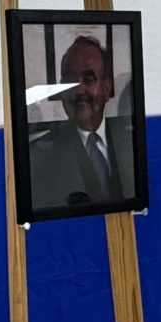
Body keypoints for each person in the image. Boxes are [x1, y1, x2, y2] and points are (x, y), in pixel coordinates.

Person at [29, 33, 135, 211]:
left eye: (89, 79)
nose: (79, 90)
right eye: (70, 80)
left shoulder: (131, 143)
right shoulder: (37, 158)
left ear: (106, 87)